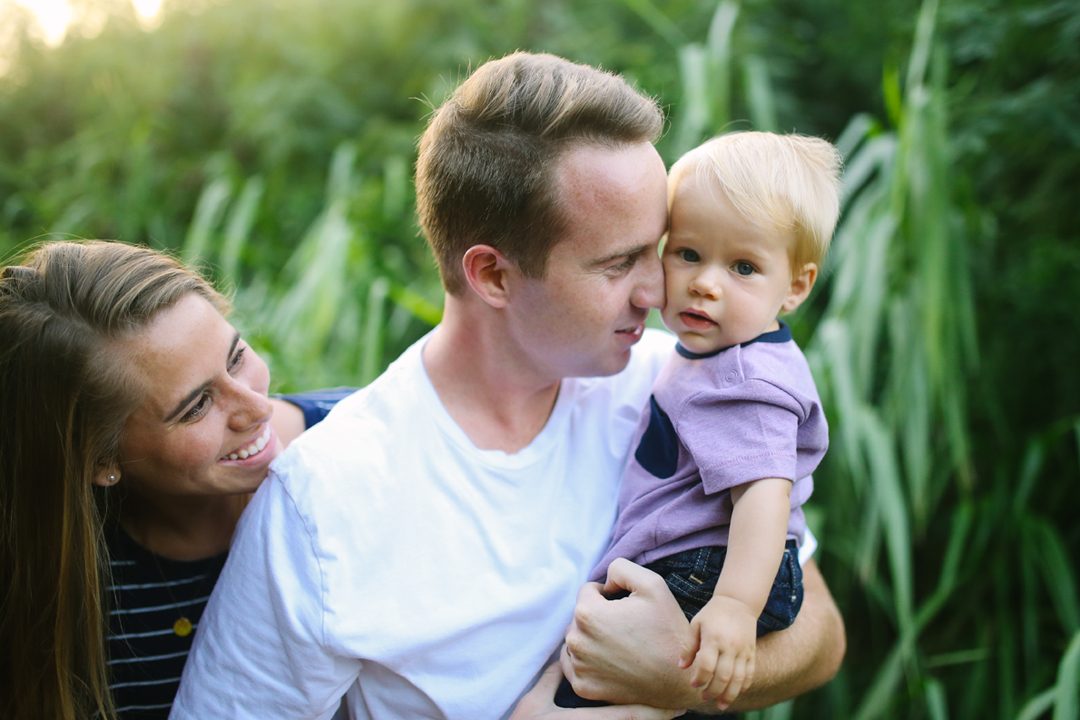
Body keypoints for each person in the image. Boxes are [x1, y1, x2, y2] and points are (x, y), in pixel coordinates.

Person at [173, 52, 844, 719]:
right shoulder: (324, 503)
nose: (658, 290)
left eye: (660, 248)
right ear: (493, 275)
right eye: (620, 263)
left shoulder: (679, 379)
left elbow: (820, 632)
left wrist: (679, 681)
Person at [0, 240, 352, 720]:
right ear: (99, 459)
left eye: (235, 358)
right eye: (197, 406)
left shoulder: (369, 445)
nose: (257, 407)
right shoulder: (52, 591)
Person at [556, 132, 841, 712]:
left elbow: (765, 496)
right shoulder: (718, 359)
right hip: (701, 562)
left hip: (708, 569)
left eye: (742, 266)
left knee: (587, 690)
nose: (706, 282)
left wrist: (734, 607)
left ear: (795, 286)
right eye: (688, 253)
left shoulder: (745, 381)